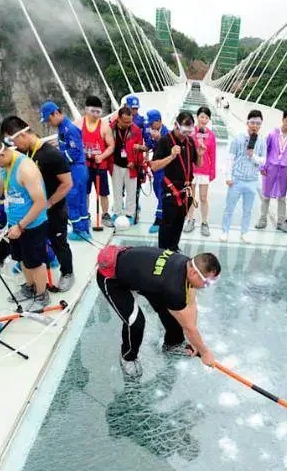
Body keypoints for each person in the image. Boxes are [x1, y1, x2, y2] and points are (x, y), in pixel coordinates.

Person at [96, 246, 221, 377]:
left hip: (144, 276)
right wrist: (205, 353)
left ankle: (173, 343)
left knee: (173, 309)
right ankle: (128, 357)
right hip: (112, 279)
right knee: (135, 322)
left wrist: (196, 343)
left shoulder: (187, 263)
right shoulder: (174, 287)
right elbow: (188, 327)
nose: (207, 286)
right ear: (194, 273)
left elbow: (190, 304)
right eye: (207, 282)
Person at [0, 134, 50, 311]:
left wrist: (21, 226)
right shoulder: (3, 166)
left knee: (35, 262)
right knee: (22, 259)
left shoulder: (25, 169)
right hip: (15, 222)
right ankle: (29, 287)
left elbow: (40, 202)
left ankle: (41, 294)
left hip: (32, 224)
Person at [0, 117, 75, 292]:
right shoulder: (22, 153)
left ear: (23, 134)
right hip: (34, 212)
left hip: (53, 208)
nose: (12, 145)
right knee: (36, 245)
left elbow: (67, 183)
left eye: (12, 140)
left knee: (58, 242)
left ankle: (67, 272)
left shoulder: (51, 154)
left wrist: (49, 203)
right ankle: (37, 276)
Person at [150, 111, 203, 251]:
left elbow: (198, 164)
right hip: (171, 189)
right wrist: (171, 156)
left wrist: (200, 155)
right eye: (184, 131)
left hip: (186, 190)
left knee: (179, 222)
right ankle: (162, 251)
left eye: (189, 131)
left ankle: (174, 247)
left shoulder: (190, 141)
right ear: (176, 125)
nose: (186, 134)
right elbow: (154, 166)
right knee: (167, 223)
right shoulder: (165, 141)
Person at [40, 101, 90, 241]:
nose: (50, 124)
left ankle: (79, 230)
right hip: (80, 168)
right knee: (80, 200)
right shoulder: (64, 128)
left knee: (73, 199)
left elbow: (74, 151)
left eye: (49, 120)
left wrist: (57, 157)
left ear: (55, 114)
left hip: (75, 169)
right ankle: (84, 228)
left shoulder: (68, 128)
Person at [220, 110, 267, 243]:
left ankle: (244, 232)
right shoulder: (238, 138)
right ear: (247, 123)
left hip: (252, 180)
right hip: (237, 179)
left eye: (258, 123)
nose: (255, 126)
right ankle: (225, 231)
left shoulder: (262, 141)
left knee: (248, 210)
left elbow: (263, 160)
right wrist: (228, 176)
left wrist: (253, 155)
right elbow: (230, 158)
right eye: (252, 122)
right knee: (229, 208)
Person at [256, 109, 287, 233]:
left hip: (284, 168)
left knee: (282, 196)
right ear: (282, 119)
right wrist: (262, 166)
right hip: (271, 166)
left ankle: (280, 221)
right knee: (266, 195)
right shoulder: (272, 134)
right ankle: (262, 219)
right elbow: (265, 150)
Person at [78, 95, 115, 229]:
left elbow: (111, 146)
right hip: (85, 166)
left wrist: (102, 155)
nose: (95, 115)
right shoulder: (78, 124)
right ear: (86, 110)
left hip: (100, 165)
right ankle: (85, 214)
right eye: (93, 111)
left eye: (98, 112)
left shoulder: (104, 127)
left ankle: (105, 214)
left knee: (103, 192)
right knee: (85, 191)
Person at [183, 106, 217, 237]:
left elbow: (213, 154)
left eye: (207, 117)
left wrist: (212, 171)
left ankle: (204, 222)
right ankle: (190, 220)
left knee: (203, 197)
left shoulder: (211, 135)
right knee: (190, 196)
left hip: (204, 170)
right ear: (197, 117)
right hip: (192, 169)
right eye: (202, 116)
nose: (204, 119)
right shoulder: (190, 133)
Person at [110, 107, 146, 225]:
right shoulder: (111, 128)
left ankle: (130, 214)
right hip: (115, 164)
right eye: (126, 122)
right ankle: (117, 212)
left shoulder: (136, 130)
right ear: (119, 119)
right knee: (117, 190)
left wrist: (136, 163)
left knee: (131, 192)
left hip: (131, 167)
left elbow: (140, 149)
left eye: (130, 121)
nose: (129, 124)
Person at [143, 109, 169, 234]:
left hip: (163, 167)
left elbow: (169, 151)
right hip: (154, 167)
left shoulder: (166, 133)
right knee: (156, 190)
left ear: (159, 121)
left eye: (152, 122)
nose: (150, 125)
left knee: (161, 192)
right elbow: (148, 145)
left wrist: (159, 139)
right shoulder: (151, 131)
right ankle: (163, 214)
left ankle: (159, 220)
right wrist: (141, 149)